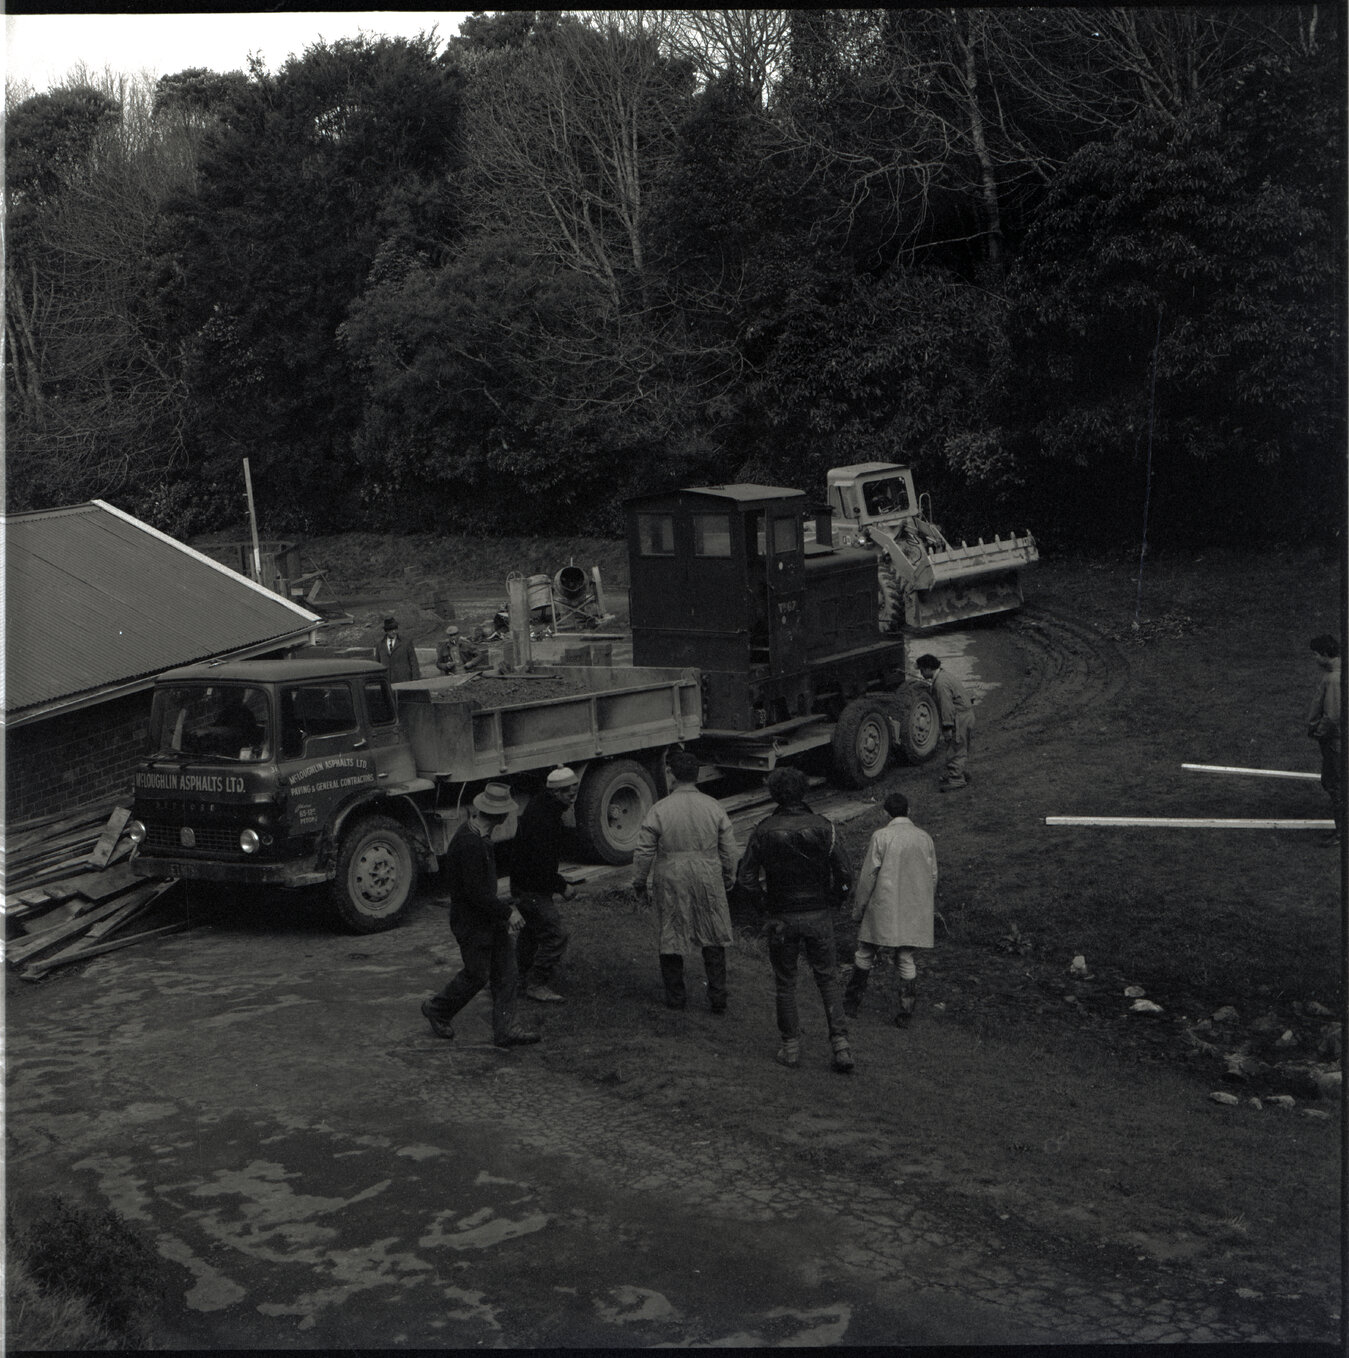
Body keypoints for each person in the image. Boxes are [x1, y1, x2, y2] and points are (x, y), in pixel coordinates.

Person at [735, 765, 855, 1073]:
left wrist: (765, 906)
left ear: (775, 793)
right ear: (804, 791)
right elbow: (844, 874)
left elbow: (745, 877)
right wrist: (833, 900)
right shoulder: (824, 826)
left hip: (781, 915)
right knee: (827, 978)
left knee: (785, 982)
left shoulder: (763, 829)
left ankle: (790, 1047)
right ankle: (840, 1045)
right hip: (818, 913)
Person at [421, 783, 540, 1048]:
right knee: (477, 975)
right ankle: (437, 1009)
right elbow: (475, 894)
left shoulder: (479, 836)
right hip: (472, 923)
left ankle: (506, 1030)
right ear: (500, 815)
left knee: (507, 972)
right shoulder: (469, 844)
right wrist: (508, 912)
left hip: (488, 918)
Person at [631, 749, 738, 1013]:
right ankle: (718, 997)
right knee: (713, 932)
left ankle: (676, 998)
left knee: (672, 931)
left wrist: (639, 882)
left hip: (672, 874)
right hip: (707, 872)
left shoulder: (660, 809)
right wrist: (728, 874)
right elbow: (729, 847)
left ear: (671, 774)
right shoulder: (713, 806)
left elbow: (644, 851)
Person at [843, 791, 937, 1028]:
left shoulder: (881, 836)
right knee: (906, 956)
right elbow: (933, 875)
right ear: (908, 811)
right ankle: (906, 1012)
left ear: (886, 813)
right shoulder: (924, 838)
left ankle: (851, 1004)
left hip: (883, 905)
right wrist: (924, 903)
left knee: (865, 950)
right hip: (912, 906)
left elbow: (868, 876)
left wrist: (859, 908)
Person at [510, 767, 579, 1002]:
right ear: (557, 792)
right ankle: (536, 983)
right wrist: (563, 886)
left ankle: (517, 979)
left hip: (524, 883)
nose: (573, 798)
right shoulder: (543, 820)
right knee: (556, 934)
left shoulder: (543, 805)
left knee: (531, 932)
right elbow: (541, 866)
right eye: (570, 794)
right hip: (532, 887)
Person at [916, 653, 973, 791]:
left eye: (922, 670)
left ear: (929, 668)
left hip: (959, 718)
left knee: (955, 747)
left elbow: (947, 707)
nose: (921, 673)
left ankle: (957, 779)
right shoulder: (944, 675)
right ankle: (958, 773)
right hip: (966, 714)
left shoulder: (940, 684)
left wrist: (947, 727)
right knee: (959, 746)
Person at [1307, 634, 1343, 845]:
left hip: (1335, 741)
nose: (1315, 659)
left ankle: (1342, 834)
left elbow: (1332, 715)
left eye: (1316, 654)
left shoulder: (1333, 679)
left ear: (1325, 655)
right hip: (1337, 739)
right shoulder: (1337, 673)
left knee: (1335, 784)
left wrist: (1318, 732)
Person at [375, 615, 420, 683]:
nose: (394, 632)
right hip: (387, 682)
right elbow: (377, 664)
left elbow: (413, 662)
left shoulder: (406, 642)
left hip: (404, 681)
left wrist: (415, 679)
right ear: (386, 631)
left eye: (395, 629)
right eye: (391, 629)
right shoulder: (380, 644)